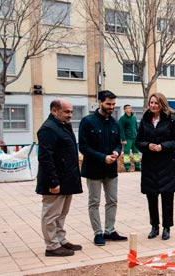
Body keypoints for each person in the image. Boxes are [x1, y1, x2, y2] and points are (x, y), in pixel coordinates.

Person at [79, 90, 127, 246]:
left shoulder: (115, 123)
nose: (111, 107)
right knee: (94, 202)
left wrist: (116, 152)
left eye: (113, 104)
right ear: (100, 102)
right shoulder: (87, 122)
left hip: (111, 170)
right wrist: (102, 157)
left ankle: (110, 230)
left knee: (112, 200)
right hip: (93, 170)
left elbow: (118, 143)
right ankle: (98, 233)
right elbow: (84, 147)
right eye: (108, 104)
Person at [36, 99, 83, 257]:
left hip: (66, 179)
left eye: (71, 111)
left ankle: (60, 239)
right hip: (55, 181)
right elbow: (45, 157)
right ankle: (52, 245)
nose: (70, 115)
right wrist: (53, 181)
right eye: (66, 112)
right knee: (51, 214)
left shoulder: (62, 126)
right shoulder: (48, 129)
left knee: (61, 213)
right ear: (54, 111)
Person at [136, 92, 175, 240]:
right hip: (150, 163)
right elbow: (138, 141)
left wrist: (162, 146)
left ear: (161, 104)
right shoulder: (145, 120)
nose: (153, 105)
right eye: (151, 103)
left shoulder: (171, 119)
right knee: (151, 197)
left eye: (156, 103)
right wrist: (148, 145)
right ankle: (154, 226)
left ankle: (167, 227)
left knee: (167, 196)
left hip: (166, 162)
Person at [119, 104, 140, 172]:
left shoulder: (133, 117)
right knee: (126, 153)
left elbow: (136, 127)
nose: (129, 109)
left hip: (134, 138)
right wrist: (123, 139)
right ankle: (127, 167)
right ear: (125, 110)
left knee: (136, 152)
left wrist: (138, 135)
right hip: (127, 139)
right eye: (127, 108)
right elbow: (121, 129)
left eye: (130, 108)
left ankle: (137, 166)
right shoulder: (122, 119)